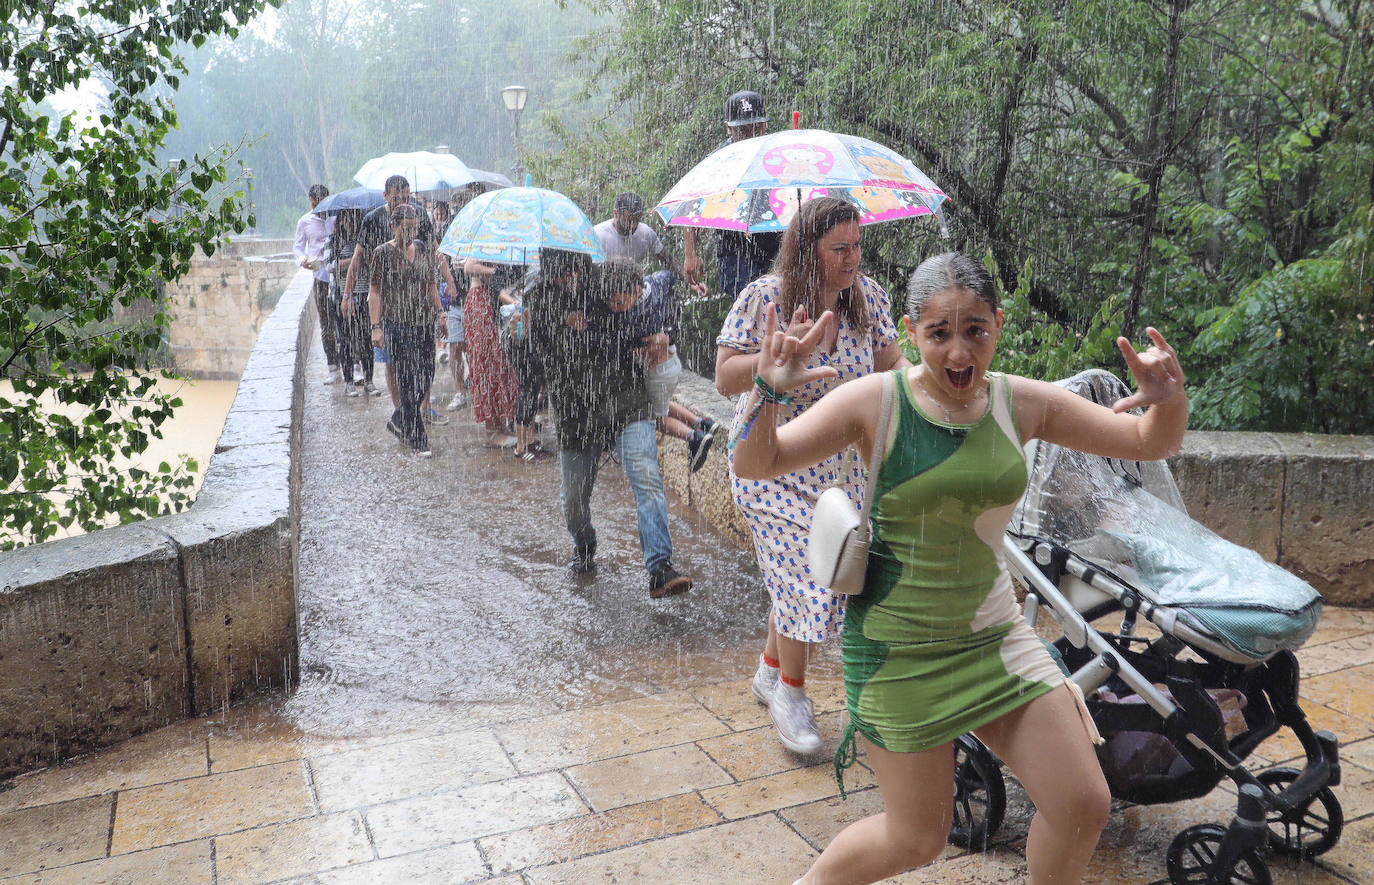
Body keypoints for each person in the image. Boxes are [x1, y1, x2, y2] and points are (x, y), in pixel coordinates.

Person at [733, 251, 1188, 885]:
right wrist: (767, 392)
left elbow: (1147, 442)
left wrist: (1167, 400)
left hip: (994, 638)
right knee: (917, 837)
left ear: (997, 325)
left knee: (1083, 804)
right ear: (912, 333)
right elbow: (760, 462)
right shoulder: (875, 401)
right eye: (939, 333)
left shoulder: (1021, 402)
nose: (958, 353)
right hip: (901, 651)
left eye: (975, 329)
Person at [715, 197, 909, 755]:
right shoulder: (763, 298)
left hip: (837, 471)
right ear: (808, 250)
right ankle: (792, 694)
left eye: (856, 246)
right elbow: (726, 376)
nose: (852, 260)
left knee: (814, 567)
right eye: (838, 249)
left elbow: (890, 366)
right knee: (806, 569)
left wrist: (933, 382)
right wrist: (769, 363)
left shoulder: (867, 298)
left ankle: (770, 668)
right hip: (768, 459)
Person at [528, 250, 692, 598]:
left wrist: (667, 336)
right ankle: (584, 545)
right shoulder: (537, 300)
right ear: (549, 270)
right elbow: (531, 357)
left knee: (646, 479)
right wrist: (526, 330)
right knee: (574, 500)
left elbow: (650, 312)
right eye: (561, 272)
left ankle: (660, 568)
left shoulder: (605, 284)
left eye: (575, 269)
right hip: (576, 413)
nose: (569, 277)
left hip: (626, 403)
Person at [595, 195, 720, 472]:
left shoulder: (645, 237)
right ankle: (701, 423)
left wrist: (693, 283)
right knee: (658, 399)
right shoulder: (599, 238)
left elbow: (670, 265)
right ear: (616, 213)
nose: (633, 224)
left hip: (647, 334)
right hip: (635, 324)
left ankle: (692, 435)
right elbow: (666, 275)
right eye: (628, 218)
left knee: (652, 412)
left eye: (637, 219)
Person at [344, 175, 435, 410]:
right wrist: (347, 294)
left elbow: (434, 251)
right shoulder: (373, 221)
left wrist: (445, 286)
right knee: (395, 363)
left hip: (418, 305)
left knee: (425, 363)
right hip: (389, 307)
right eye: (397, 198)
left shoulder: (419, 215)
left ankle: (422, 409)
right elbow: (358, 258)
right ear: (386, 196)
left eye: (406, 197)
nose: (402, 202)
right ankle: (402, 412)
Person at [682, 90, 783, 298]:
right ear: (729, 128)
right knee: (751, 300)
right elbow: (692, 203)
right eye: (743, 131)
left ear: (765, 125)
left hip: (776, 242)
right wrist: (690, 254)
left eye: (756, 128)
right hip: (736, 250)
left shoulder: (778, 155)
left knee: (782, 299)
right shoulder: (718, 162)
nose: (751, 135)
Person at [367, 203, 446, 458]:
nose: (410, 235)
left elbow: (431, 282)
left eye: (413, 229)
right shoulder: (382, 254)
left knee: (426, 375)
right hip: (397, 325)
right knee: (407, 379)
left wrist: (440, 312)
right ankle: (417, 438)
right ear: (393, 227)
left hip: (423, 323)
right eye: (405, 229)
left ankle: (399, 419)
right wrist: (376, 327)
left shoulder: (422, 248)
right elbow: (375, 293)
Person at [461, 258, 521, 447]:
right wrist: (493, 272)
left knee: (500, 364)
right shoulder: (485, 237)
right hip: (480, 304)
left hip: (496, 304)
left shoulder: (503, 242)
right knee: (485, 364)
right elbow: (468, 267)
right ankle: (491, 429)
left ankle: (500, 424)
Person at [328, 208, 378, 397]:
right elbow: (329, 266)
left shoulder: (368, 241)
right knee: (347, 341)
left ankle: (369, 380)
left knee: (366, 340)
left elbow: (375, 262)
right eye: (348, 220)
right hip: (343, 297)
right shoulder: (335, 242)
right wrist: (354, 260)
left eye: (355, 220)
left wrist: (363, 258)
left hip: (365, 295)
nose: (352, 224)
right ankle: (349, 381)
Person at [293, 184, 339, 383]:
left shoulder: (336, 218)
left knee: (345, 323)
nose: (319, 207)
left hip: (338, 276)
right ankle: (332, 367)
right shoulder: (305, 221)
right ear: (311, 201)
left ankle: (352, 364)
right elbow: (297, 247)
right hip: (320, 278)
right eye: (315, 203)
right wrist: (302, 259)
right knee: (326, 324)